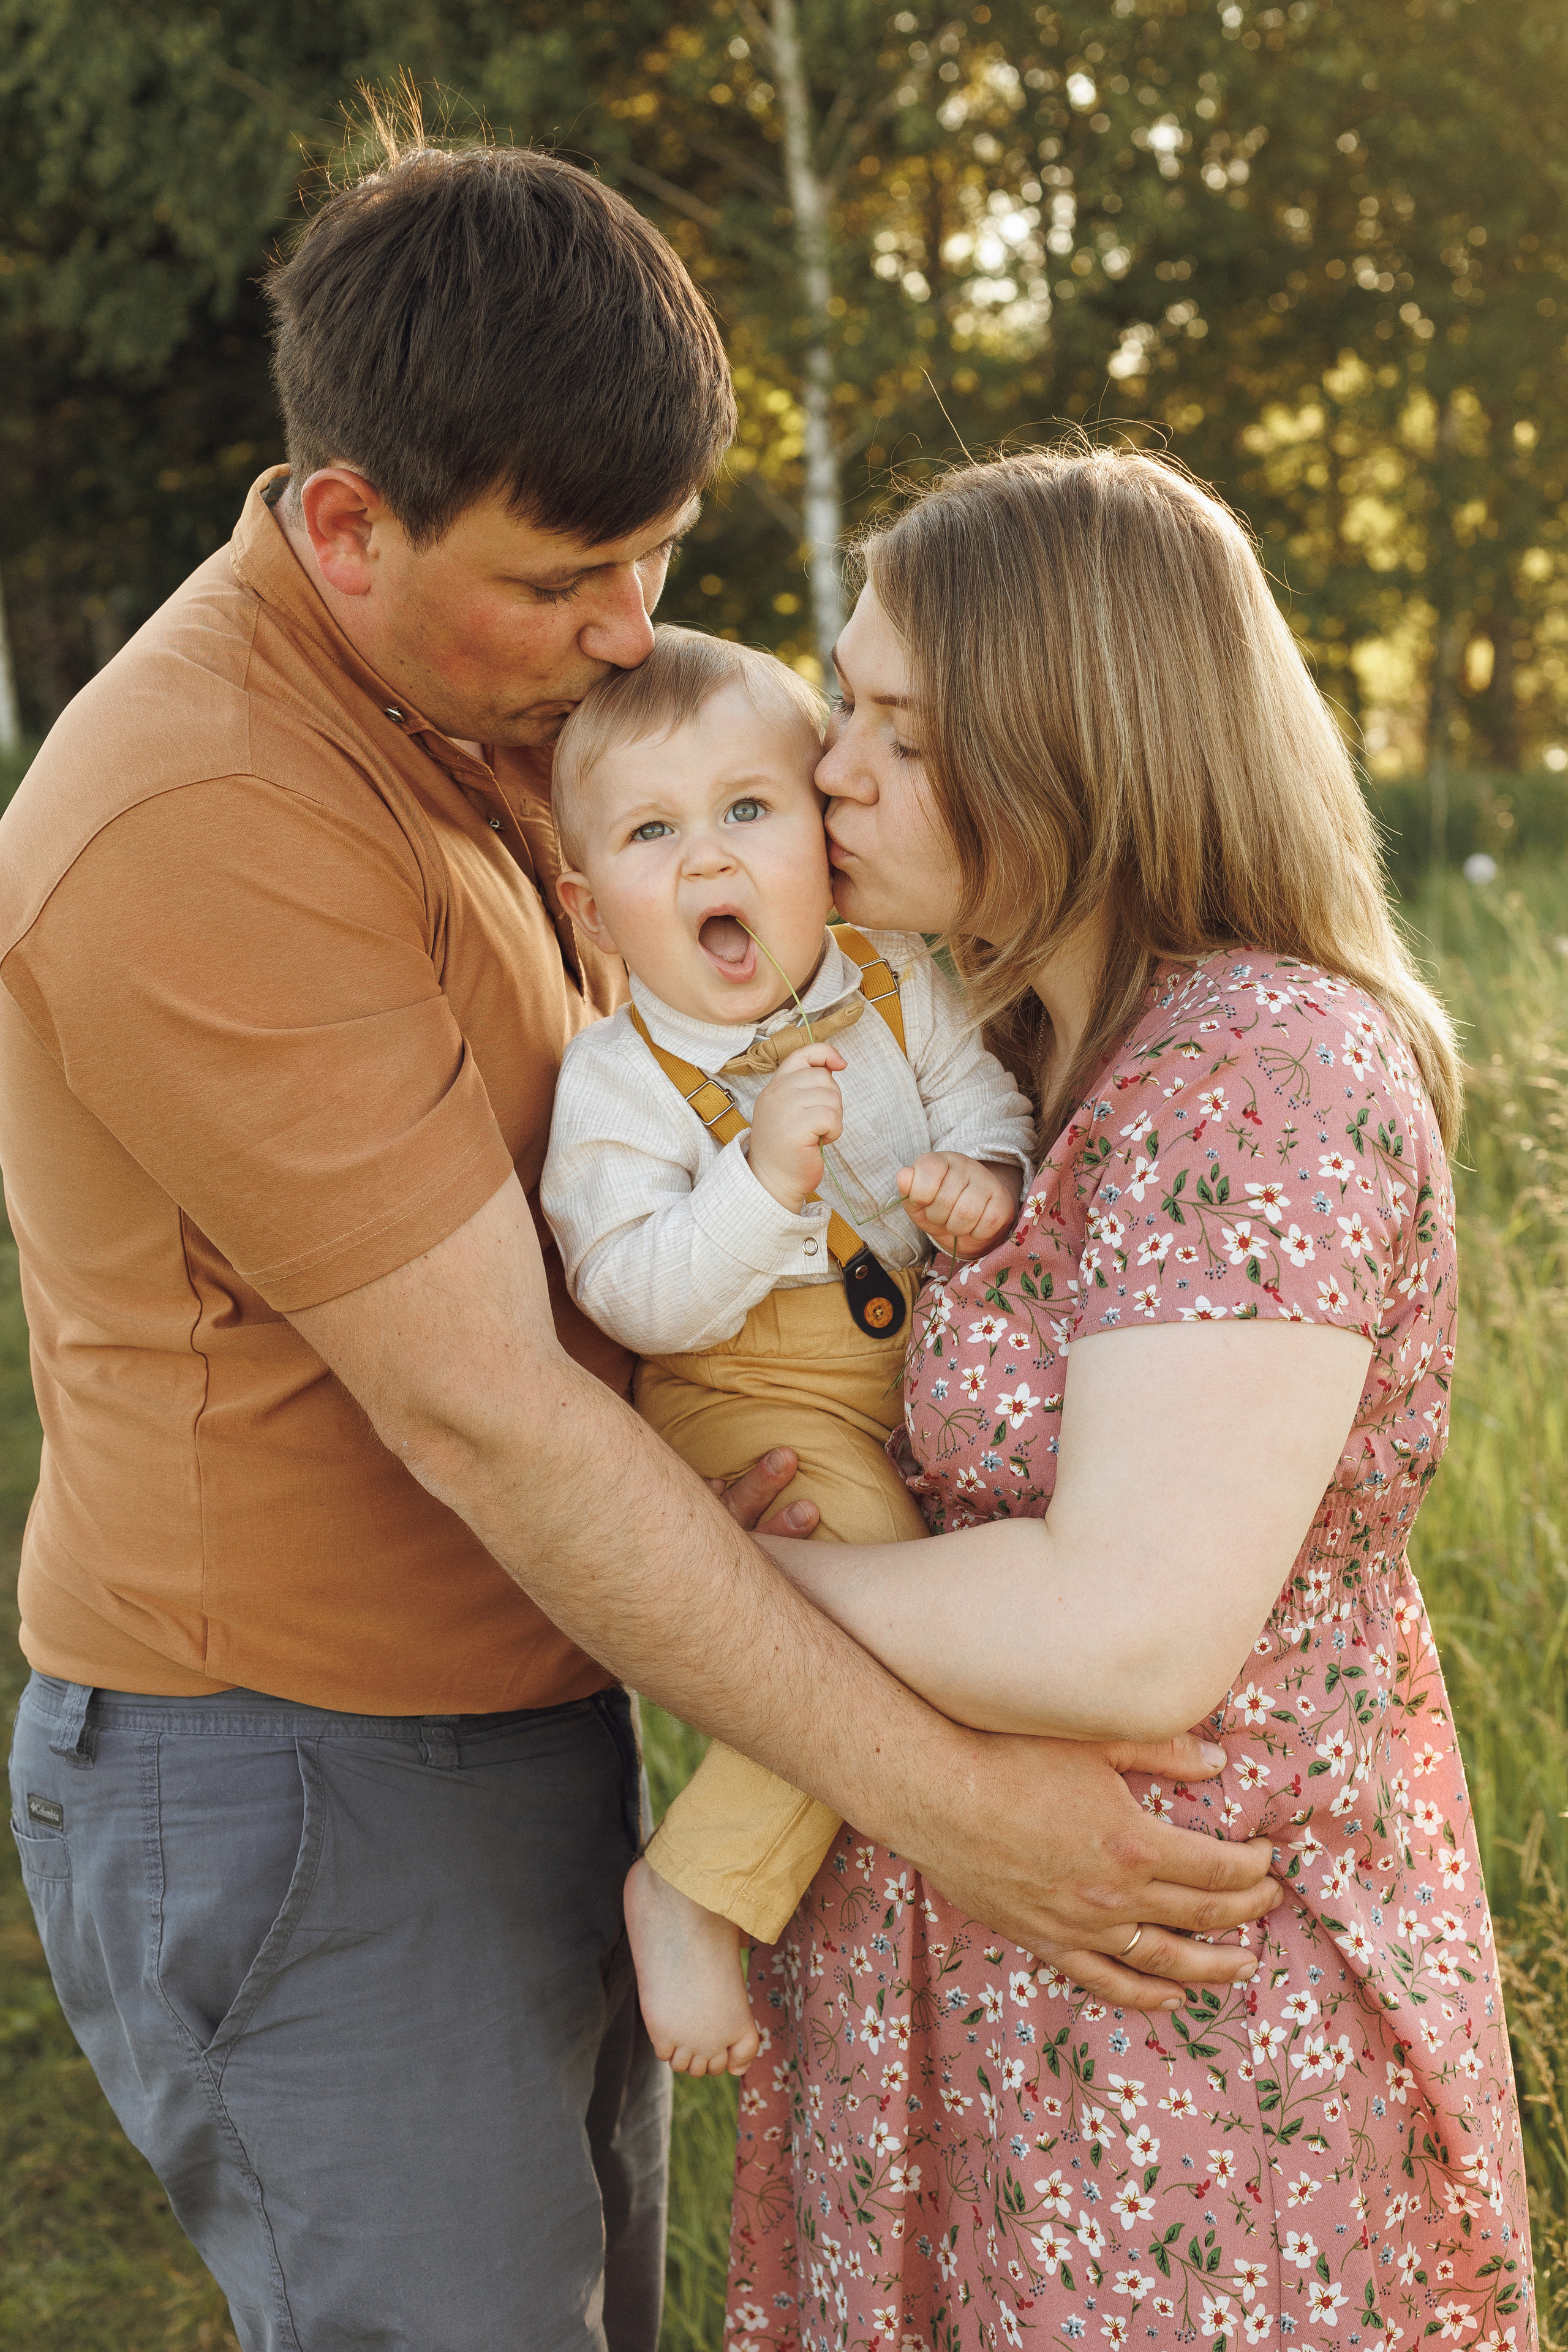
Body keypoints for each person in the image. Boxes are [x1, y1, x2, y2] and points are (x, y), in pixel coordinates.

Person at [0, 141, 1281, 2352]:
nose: (635, 634)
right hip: (311, 1764)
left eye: (660, 560)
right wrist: (962, 1809)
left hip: (557, 1692)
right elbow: (490, 1412)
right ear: (345, 528)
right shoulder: (204, 815)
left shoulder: (478, 708)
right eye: (573, 575)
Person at [725, 448, 1536, 2351]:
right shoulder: (1001, 1055)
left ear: (1081, 749)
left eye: (902, 733)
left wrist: (710, 1581)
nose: (835, 764)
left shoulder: (1266, 1063)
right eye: (846, 699)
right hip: (976, 2001)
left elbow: (1125, 1629)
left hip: (1193, 2054)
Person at [540, 627, 1035, 2078]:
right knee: (865, 1597)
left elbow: (982, 1097)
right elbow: (632, 1295)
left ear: (820, 836)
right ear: (588, 909)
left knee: (945, 1588)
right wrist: (755, 1186)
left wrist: (983, 1178)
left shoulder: (895, 982)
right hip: (743, 1396)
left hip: (893, 1377)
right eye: (652, 833)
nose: (708, 862)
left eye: (747, 811)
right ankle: (692, 1888)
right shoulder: (618, 1084)